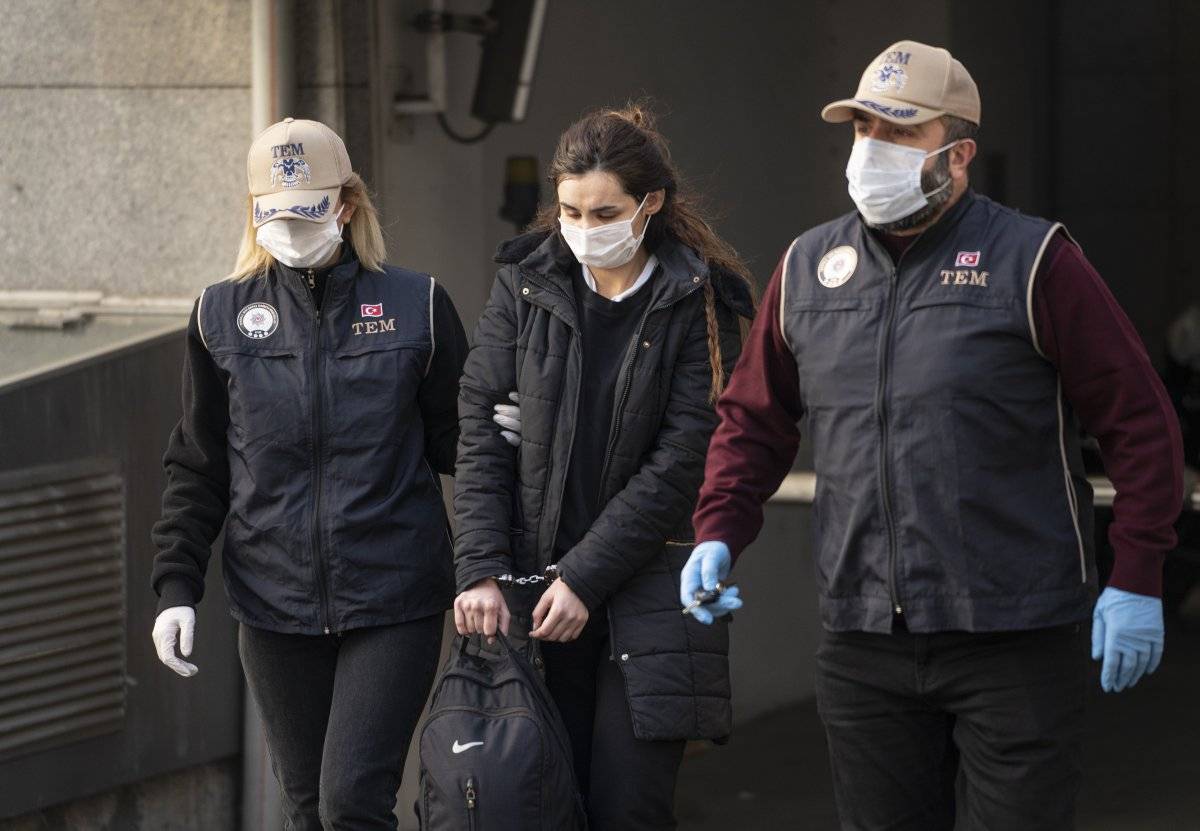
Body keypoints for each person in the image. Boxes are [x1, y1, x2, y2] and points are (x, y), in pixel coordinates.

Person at [682, 41, 1183, 830]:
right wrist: (718, 529)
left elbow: (1140, 420)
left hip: (1014, 632)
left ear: (959, 154)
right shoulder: (810, 268)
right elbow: (752, 419)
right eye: (864, 127)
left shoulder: (1034, 261)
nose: (872, 148)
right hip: (864, 638)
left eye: (900, 131)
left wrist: (1139, 573)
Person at [148, 118, 512, 830]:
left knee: (351, 801)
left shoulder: (417, 305)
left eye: (307, 211)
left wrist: (502, 434)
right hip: (272, 599)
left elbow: (455, 445)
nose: (290, 229)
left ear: (346, 204)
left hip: (393, 592)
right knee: (307, 806)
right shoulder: (219, 314)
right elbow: (199, 462)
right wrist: (175, 587)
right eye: (275, 214)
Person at [451, 105, 755, 830]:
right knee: (535, 805)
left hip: (647, 585)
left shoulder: (698, 298)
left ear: (651, 203)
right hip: (531, 583)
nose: (585, 228)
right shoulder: (524, 284)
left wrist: (584, 577)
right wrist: (481, 567)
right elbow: (481, 432)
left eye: (605, 212)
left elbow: (683, 459)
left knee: (628, 807)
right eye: (570, 211)